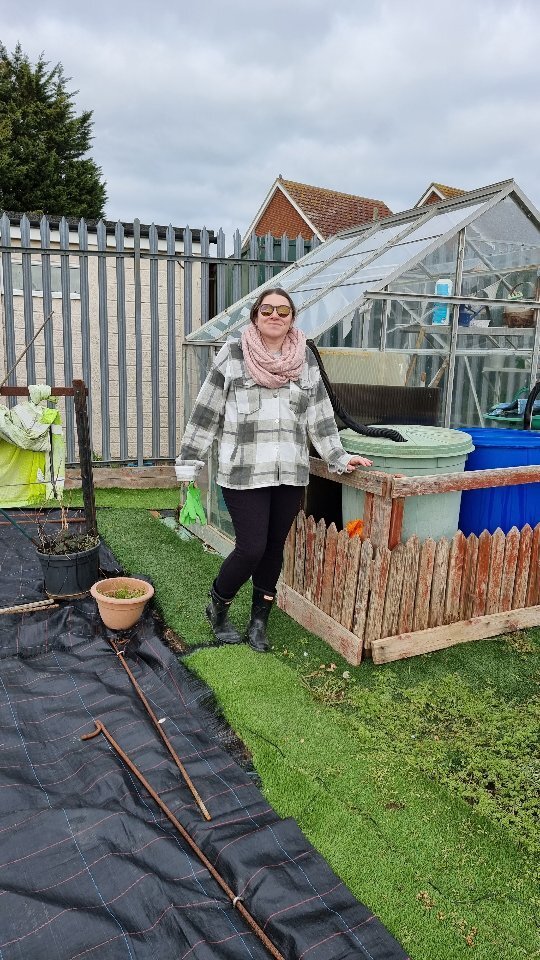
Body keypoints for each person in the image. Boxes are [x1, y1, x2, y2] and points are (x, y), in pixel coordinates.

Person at [175, 288, 372, 652]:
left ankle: (258, 623)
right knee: (250, 548)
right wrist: (189, 463)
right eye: (268, 309)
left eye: (284, 310)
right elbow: (206, 413)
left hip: (289, 473)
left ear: (292, 318)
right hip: (243, 471)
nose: (275, 315)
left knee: (273, 548)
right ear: (255, 316)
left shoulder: (305, 361)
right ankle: (217, 606)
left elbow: (320, 417)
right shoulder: (233, 355)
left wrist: (339, 457)